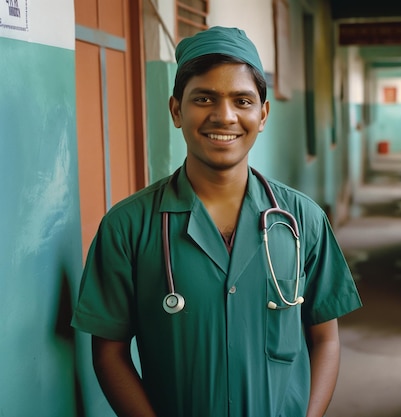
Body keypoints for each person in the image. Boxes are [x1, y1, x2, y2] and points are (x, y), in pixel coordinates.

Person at [71, 26, 362, 417]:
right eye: (204, 98)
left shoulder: (301, 220)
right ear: (176, 110)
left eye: (242, 100)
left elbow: (325, 339)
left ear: (262, 114)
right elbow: (109, 354)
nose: (224, 116)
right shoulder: (127, 227)